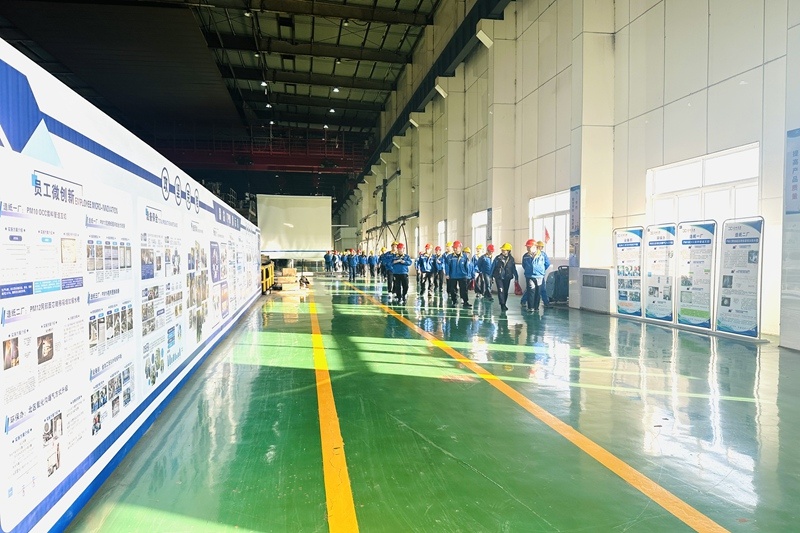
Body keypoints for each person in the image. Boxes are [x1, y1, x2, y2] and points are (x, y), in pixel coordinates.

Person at [521, 239, 551, 312]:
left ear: (535, 247)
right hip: (530, 276)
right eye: (527, 247)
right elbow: (524, 265)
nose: (528, 248)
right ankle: (530, 307)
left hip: (539, 276)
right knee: (531, 291)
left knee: (538, 292)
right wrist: (529, 271)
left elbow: (547, 264)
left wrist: (541, 270)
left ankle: (536, 307)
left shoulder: (542, 255)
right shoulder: (526, 256)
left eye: (529, 247)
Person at [444, 241, 472, 307]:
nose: (455, 249)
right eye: (454, 248)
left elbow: (467, 266)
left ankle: (465, 301)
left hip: (462, 275)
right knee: (453, 289)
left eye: (456, 248)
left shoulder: (464, 256)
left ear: (460, 248)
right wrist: (447, 274)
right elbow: (447, 266)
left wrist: (468, 274)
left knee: (464, 289)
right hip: (453, 275)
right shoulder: (450, 257)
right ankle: (454, 301)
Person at [491, 243, 518, 312]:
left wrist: (516, 277)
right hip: (499, 277)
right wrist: (490, 276)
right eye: (502, 250)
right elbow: (493, 267)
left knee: (505, 291)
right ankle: (502, 304)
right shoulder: (497, 258)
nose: (502, 251)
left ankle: (504, 303)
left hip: (507, 277)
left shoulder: (511, 259)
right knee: (501, 290)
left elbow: (514, 269)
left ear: (508, 251)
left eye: (504, 250)